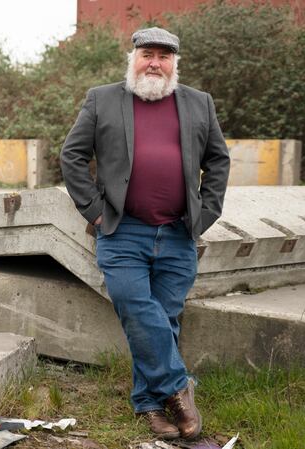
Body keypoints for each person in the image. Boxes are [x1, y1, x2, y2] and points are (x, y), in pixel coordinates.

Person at [59, 27, 230, 440]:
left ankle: (151, 405)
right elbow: (72, 155)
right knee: (138, 309)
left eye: (164, 56)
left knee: (163, 321)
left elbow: (218, 160)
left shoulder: (198, 103)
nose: (155, 62)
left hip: (177, 233)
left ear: (174, 64)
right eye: (147, 53)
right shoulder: (103, 99)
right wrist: (96, 213)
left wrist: (205, 214)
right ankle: (179, 387)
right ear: (133, 58)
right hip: (122, 231)